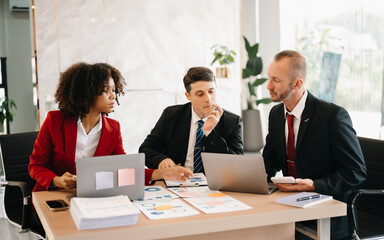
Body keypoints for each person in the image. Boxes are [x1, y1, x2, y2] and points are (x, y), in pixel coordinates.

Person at [29, 62, 192, 193]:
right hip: (54, 196)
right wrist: (56, 180)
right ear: (87, 92)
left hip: (94, 197)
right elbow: (36, 166)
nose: (113, 96)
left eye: (114, 90)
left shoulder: (113, 129)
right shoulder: (55, 121)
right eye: (105, 90)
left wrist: (161, 173)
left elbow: (123, 169)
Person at [262, 50, 367, 239]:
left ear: (298, 83)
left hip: (328, 215)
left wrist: (314, 185)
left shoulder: (332, 116)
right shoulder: (276, 114)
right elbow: (271, 160)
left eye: (276, 80)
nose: (268, 85)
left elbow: (356, 172)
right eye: (269, 78)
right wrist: (251, 177)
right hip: (291, 208)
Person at [139, 67, 243, 173]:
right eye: (200, 94)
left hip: (215, 183)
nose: (208, 99)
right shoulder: (171, 115)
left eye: (211, 91)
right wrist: (162, 160)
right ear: (188, 96)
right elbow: (145, 150)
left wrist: (210, 133)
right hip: (179, 180)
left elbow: (238, 164)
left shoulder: (232, 121)